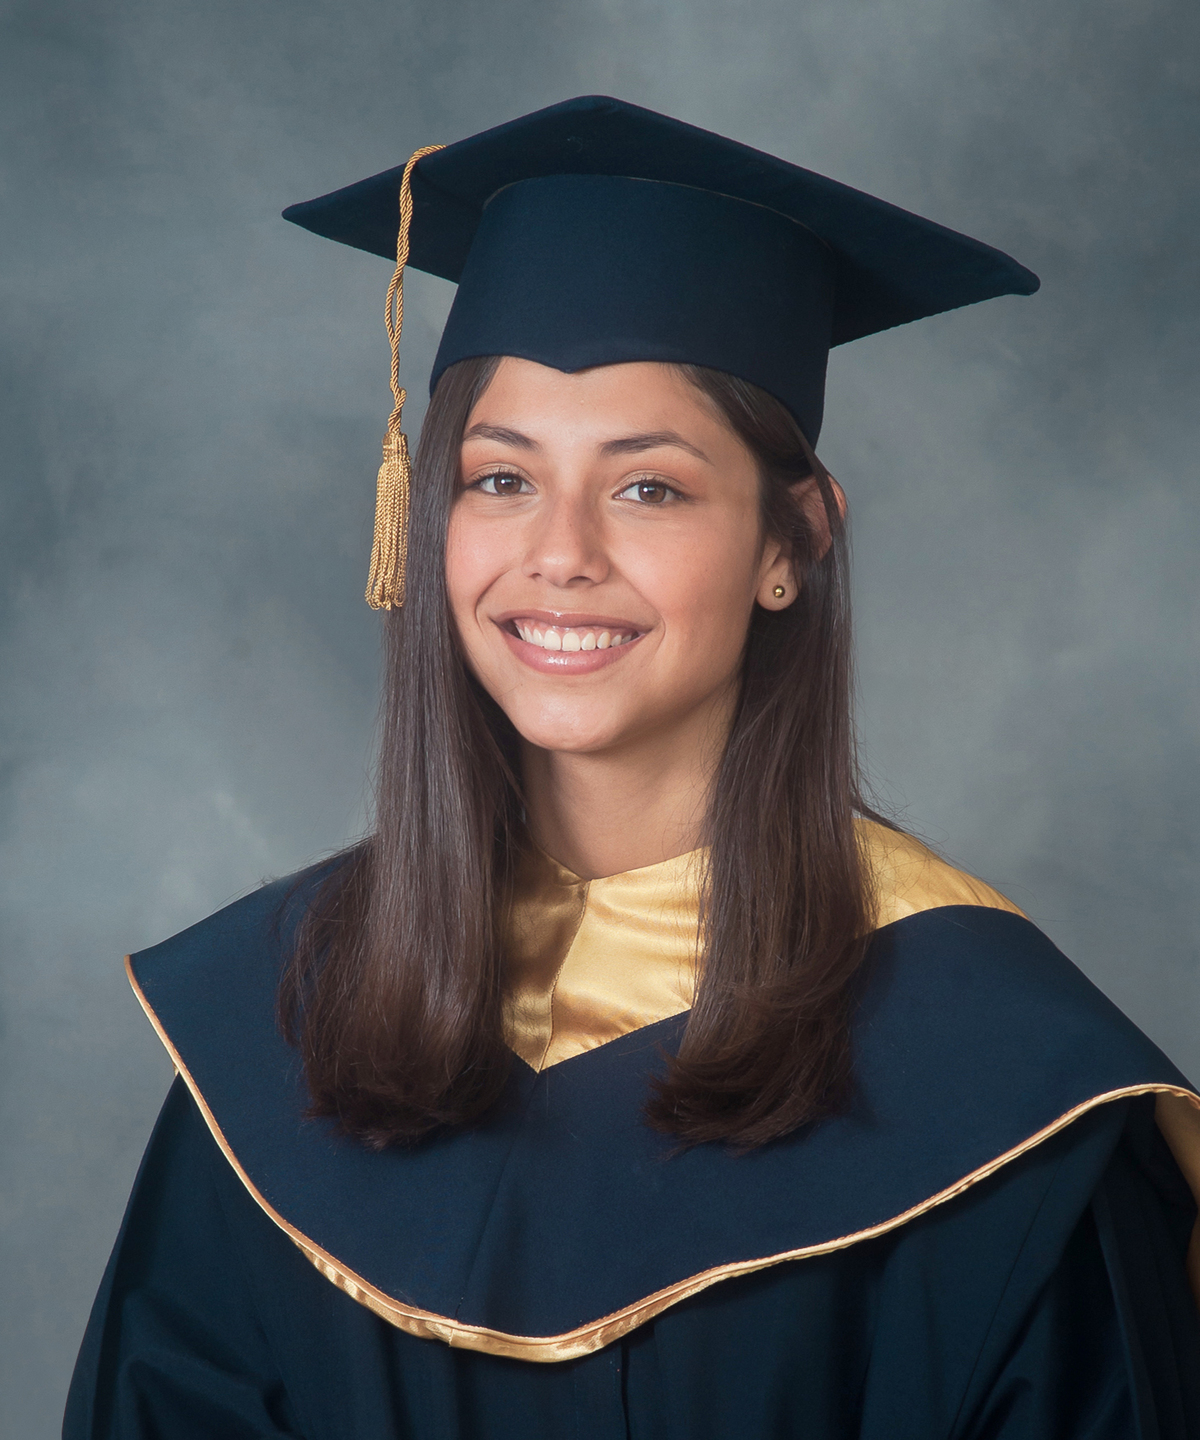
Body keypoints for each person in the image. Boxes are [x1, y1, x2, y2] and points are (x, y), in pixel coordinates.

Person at [65, 95, 1200, 1440]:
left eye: (648, 487)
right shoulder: (272, 1024)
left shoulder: (1003, 1085)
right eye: (499, 479)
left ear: (795, 540)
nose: (560, 552)